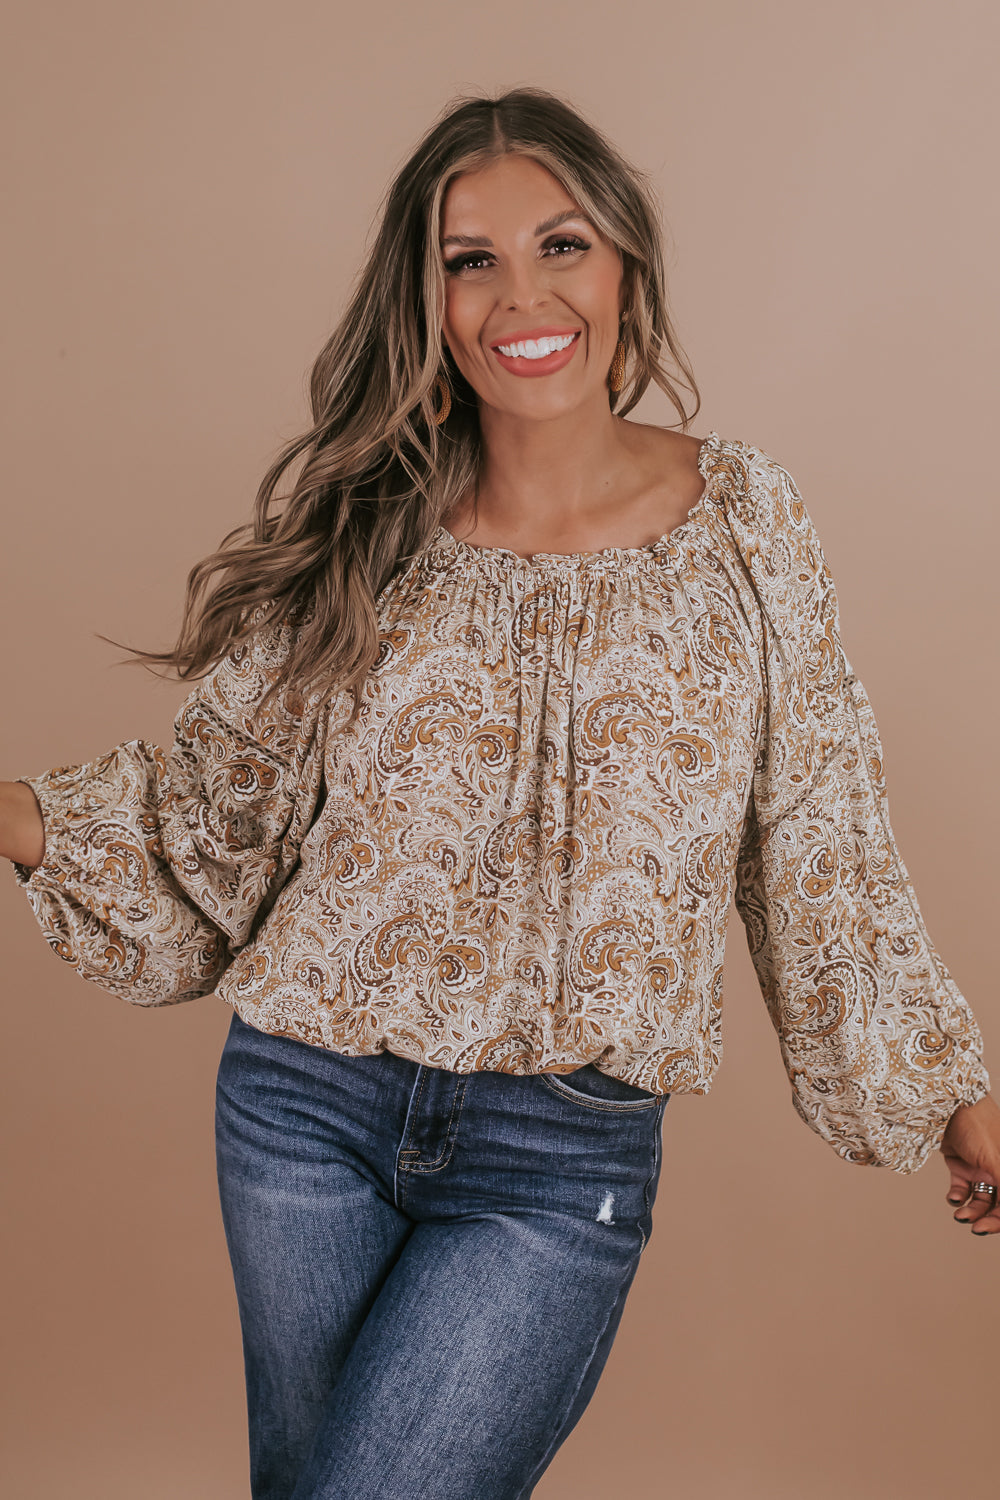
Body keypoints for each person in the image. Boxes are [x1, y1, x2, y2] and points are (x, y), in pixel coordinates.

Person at [2, 87, 997, 1500]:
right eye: (471, 260)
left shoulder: (747, 521)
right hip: (306, 1110)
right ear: (429, 300)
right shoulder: (364, 524)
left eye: (561, 244)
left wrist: (951, 1097)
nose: (521, 295)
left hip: (560, 1151)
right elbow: (213, 821)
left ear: (627, 263)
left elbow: (821, 836)